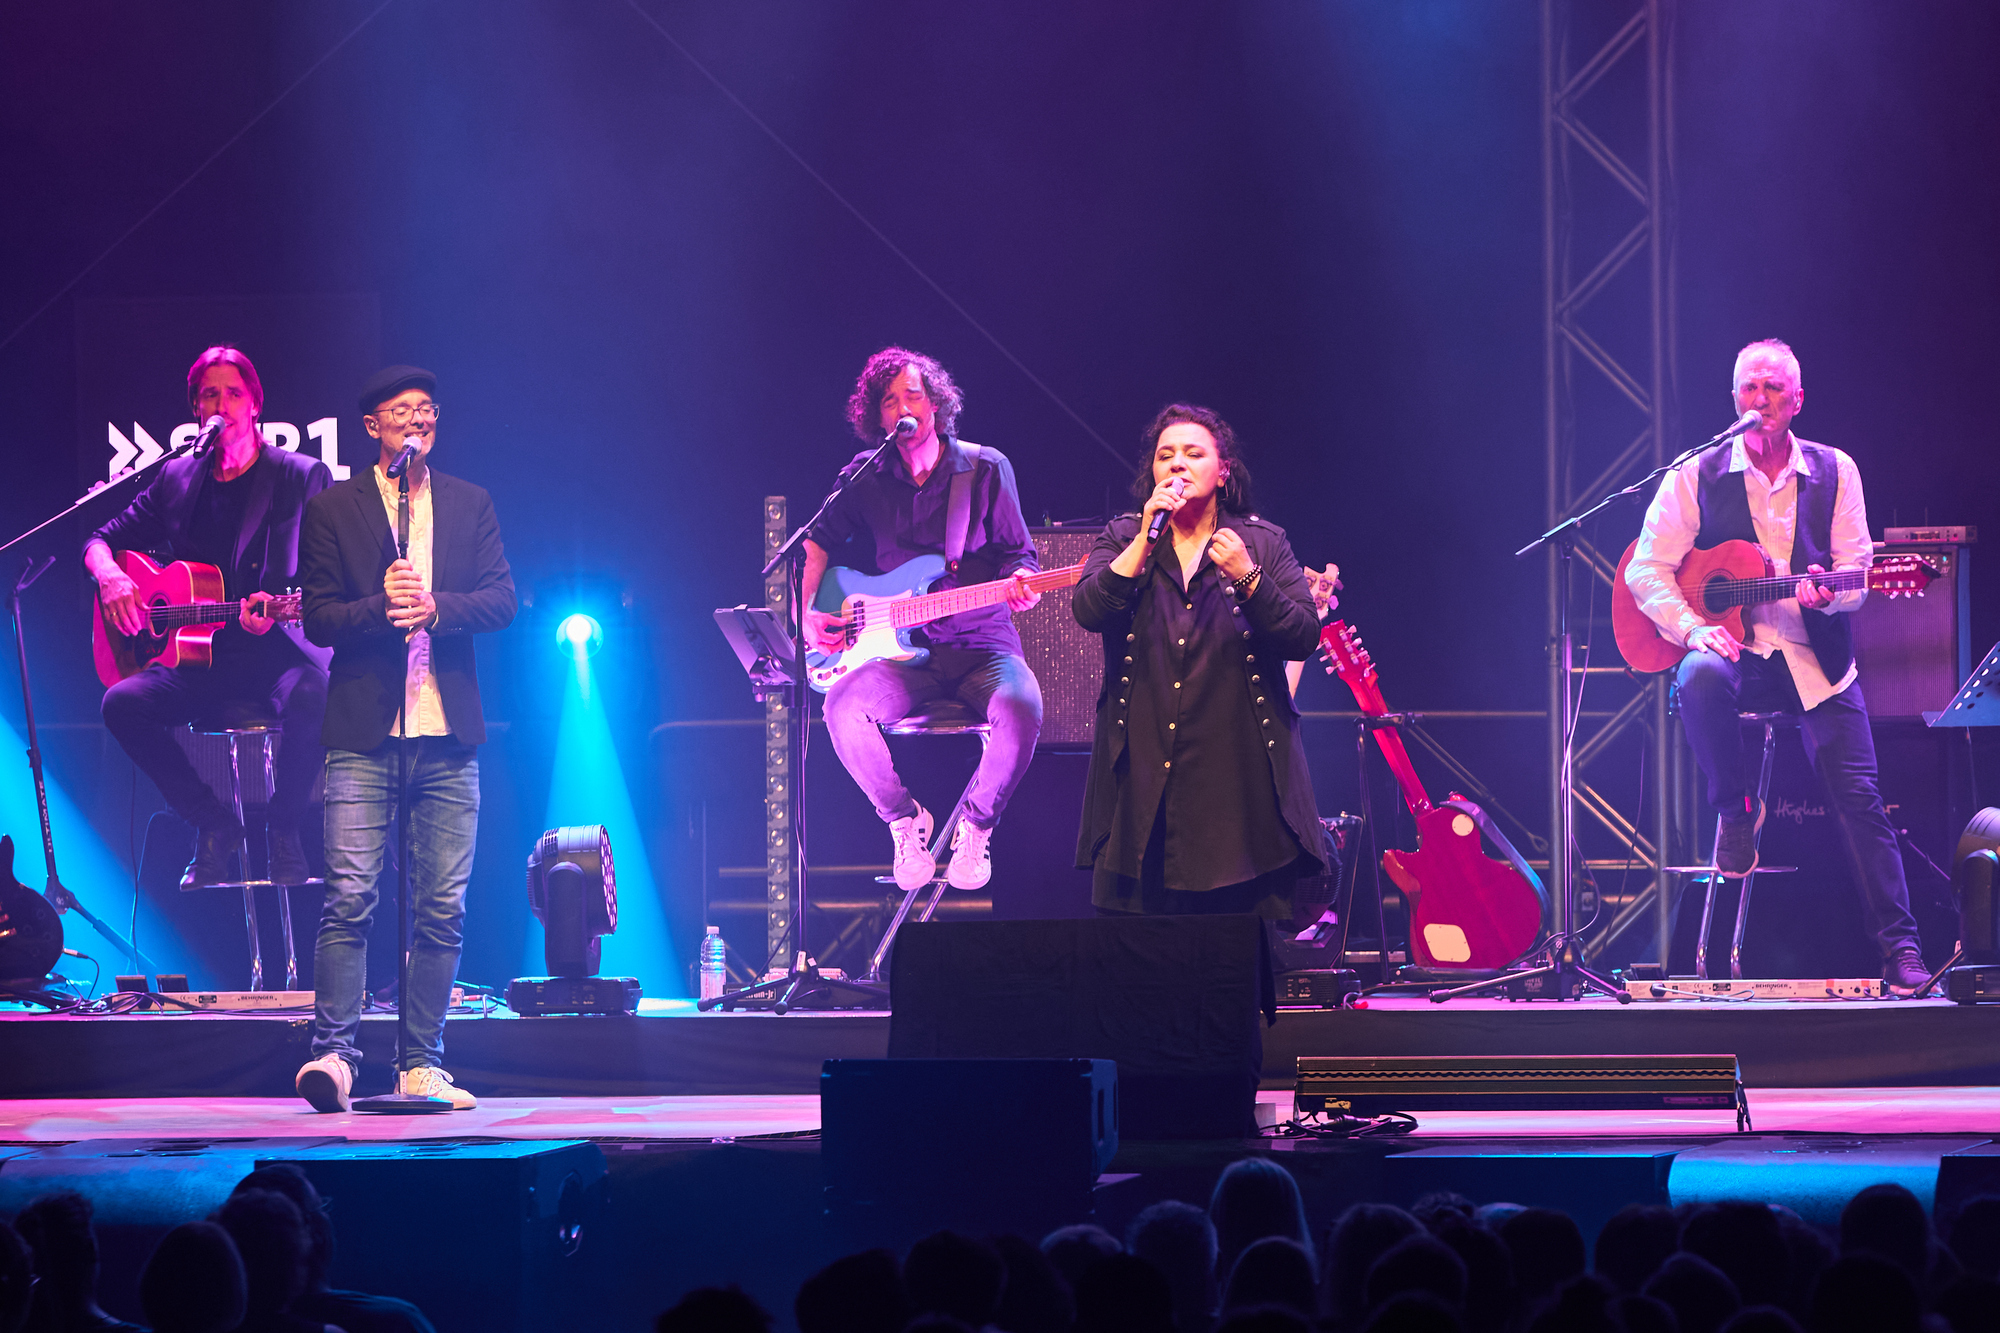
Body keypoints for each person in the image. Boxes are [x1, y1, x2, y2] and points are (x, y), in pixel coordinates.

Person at [1623, 339, 1926, 991]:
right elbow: (1646, 567)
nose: (1758, 399)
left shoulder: (1835, 470)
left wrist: (1829, 592)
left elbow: (1857, 574)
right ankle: (1736, 811)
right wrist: (1693, 627)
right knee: (1696, 675)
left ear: (1797, 401)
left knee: (1861, 801)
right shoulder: (1696, 472)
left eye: (1772, 388)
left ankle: (1901, 949)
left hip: (1817, 660)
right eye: (1748, 388)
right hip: (1738, 654)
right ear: (1733, 397)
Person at [292, 365, 516, 1112]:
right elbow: (318, 616)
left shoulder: (470, 501)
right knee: (350, 896)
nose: (417, 421)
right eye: (401, 412)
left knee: (442, 907)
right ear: (373, 427)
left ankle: (421, 1063)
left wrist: (436, 609)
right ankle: (334, 1055)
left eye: (426, 410)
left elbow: (502, 600)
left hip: (447, 734)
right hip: (364, 733)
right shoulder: (332, 508)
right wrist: (377, 608)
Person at [85, 345, 331, 889]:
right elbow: (100, 539)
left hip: (273, 653)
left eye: (234, 394)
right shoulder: (176, 477)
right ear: (196, 408)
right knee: (121, 703)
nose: (223, 405)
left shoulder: (298, 476)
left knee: (314, 695)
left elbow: (328, 574)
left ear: (255, 403)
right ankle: (212, 824)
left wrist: (280, 607)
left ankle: (284, 828)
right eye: (210, 394)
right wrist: (111, 575)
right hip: (197, 661)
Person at [1073, 403, 1330, 918]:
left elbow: (1303, 635)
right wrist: (1143, 541)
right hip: (1143, 774)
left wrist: (1249, 576)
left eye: (1194, 453)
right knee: (1140, 946)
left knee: (1235, 942)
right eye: (1165, 455)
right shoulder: (1123, 536)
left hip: (1237, 779)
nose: (1177, 464)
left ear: (1223, 470)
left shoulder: (1263, 542)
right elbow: (1089, 610)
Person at [803, 347, 1044, 893]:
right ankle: (904, 820)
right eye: (889, 401)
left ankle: (976, 825)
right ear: (878, 416)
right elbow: (815, 542)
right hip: (903, 655)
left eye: (913, 395)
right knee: (841, 706)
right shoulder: (864, 475)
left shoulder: (984, 468)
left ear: (935, 403)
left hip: (983, 645)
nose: (903, 408)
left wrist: (1022, 580)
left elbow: (1019, 554)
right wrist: (806, 611)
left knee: (1022, 708)